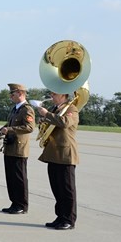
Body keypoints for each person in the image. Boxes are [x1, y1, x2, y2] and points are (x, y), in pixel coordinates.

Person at [36, 91, 79, 230]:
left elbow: (64, 122)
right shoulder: (55, 109)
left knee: (67, 189)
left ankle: (69, 219)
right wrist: (43, 121)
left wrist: (46, 115)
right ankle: (60, 216)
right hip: (53, 153)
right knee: (56, 188)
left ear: (63, 95)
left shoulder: (71, 108)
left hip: (65, 154)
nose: (51, 96)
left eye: (54, 94)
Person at [0, 83, 35, 215]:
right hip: (10, 147)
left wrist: (10, 129)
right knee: (11, 177)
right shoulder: (15, 109)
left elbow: (29, 127)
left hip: (19, 149)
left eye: (12, 94)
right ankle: (14, 202)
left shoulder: (26, 109)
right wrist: (1, 130)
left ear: (20, 93)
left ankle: (22, 204)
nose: (10, 96)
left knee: (19, 178)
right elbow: (9, 124)